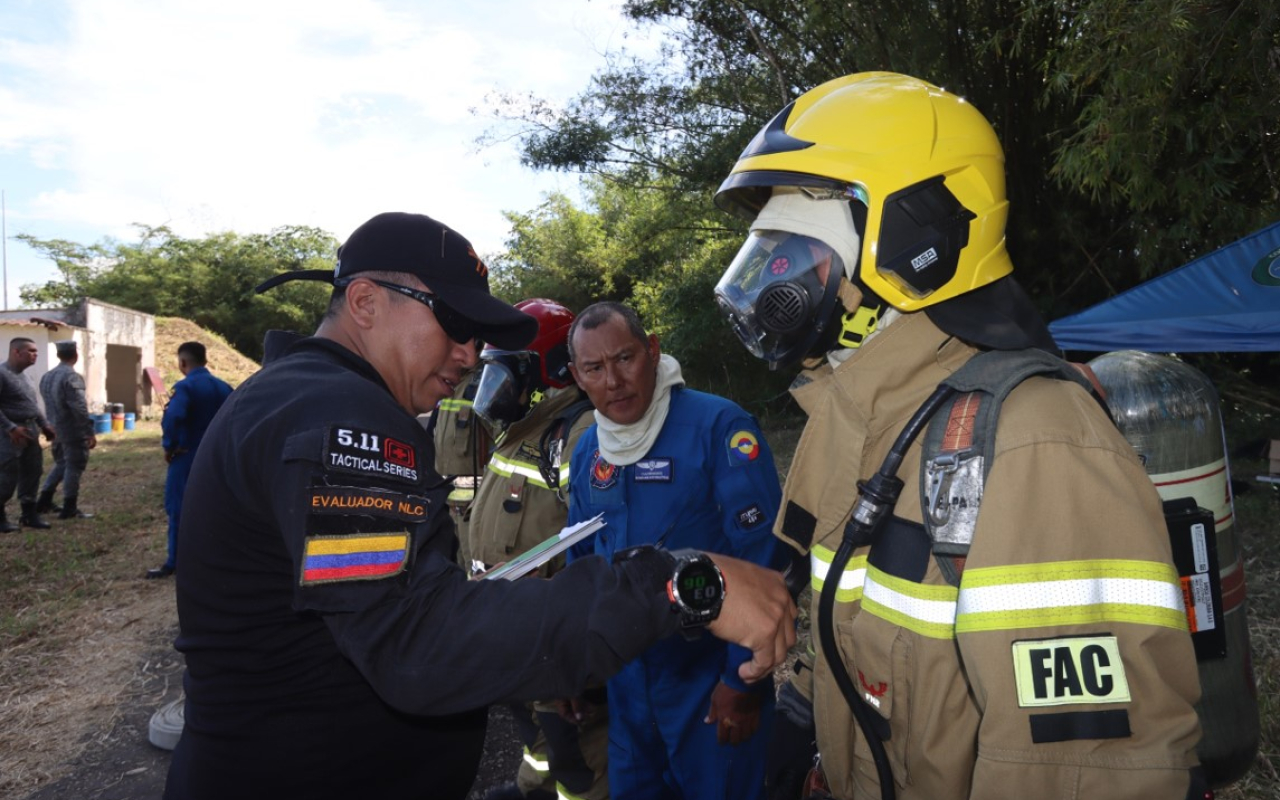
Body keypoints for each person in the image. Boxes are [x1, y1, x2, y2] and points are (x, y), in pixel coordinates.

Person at [162, 211, 797, 800]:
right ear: (365, 302)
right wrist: (676, 586)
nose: (469, 356)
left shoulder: (304, 402)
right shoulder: (336, 420)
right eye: (457, 326)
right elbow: (418, 642)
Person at [711, 71, 1205, 799]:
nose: (769, 281)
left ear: (915, 237)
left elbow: (1084, 766)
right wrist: (804, 717)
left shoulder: (1037, 442)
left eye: (791, 251)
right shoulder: (845, 414)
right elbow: (845, 617)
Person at [564, 301, 785, 800]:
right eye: (595, 369)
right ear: (578, 377)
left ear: (653, 350)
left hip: (707, 682)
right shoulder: (588, 452)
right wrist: (572, 666)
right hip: (626, 686)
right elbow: (580, 564)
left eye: (624, 358)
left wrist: (742, 683)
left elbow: (765, 561)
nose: (614, 381)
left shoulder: (718, 428)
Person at [469, 298, 607, 800]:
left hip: (553, 635)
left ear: (546, 370)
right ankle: (532, 787)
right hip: (513, 627)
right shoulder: (525, 430)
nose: (495, 389)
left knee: (581, 756)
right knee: (534, 731)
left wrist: (574, 653)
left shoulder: (578, 430)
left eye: (506, 374)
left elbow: (598, 541)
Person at [147, 342, 233, 579]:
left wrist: (169, 446)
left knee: (178, 509)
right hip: (219, 457)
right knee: (217, 507)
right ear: (205, 360)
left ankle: (175, 561)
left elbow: (173, 417)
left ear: (183, 362)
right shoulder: (225, 387)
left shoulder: (186, 388)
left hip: (188, 456)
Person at [0, 337, 57, 531]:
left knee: (33, 471)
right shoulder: (2, 373)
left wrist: (44, 424)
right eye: (31, 351)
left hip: (30, 429)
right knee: (7, 474)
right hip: (9, 433)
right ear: (16, 352)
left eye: (36, 351)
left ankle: (29, 514)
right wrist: (10, 427)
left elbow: (32, 405)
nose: (35, 354)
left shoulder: (26, 376)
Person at [36, 340, 97, 519]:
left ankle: (44, 499)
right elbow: (79, 407)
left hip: (54, 427)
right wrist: (88, 431)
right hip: (72, 430)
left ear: (58, 355)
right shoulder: (71, 377)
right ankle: (69, 506)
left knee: (61, 463)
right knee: (74, 465)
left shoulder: (47, 377)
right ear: (75, 355)